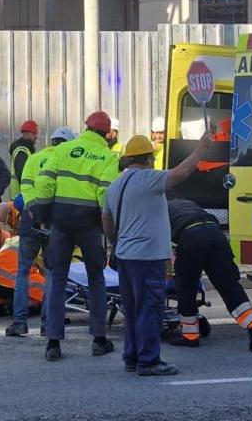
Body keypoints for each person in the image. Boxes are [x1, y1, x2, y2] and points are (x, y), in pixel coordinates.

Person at [102, 133, 209, 376]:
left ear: (128, 159)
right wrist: (201, 149)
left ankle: (132, 356)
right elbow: (179, 174)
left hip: (125, 256)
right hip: (147, 256)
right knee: (150, 308)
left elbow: (106, 219)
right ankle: (149, 360)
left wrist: (114, 242)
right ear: (150, 157)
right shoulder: (148, 179)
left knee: (132, 309)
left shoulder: (115, 185)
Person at [33, 112, 119, 362]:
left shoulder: (64, 150)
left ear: (86, 129)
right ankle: (99, 339)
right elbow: (106, 194)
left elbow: (45, 181)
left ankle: (52, 343)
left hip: (61, 219)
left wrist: (46, 212)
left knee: (58, 278)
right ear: (107, 133)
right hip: (90, 222)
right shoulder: (107, 156)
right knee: (96, 278)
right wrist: (107, 224)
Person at [167, 198, 252, 351]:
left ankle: (190, 336)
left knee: (187, 287)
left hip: (191, 236)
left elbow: (159, 242)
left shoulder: (159, 210)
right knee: (229, 285)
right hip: (215, 234)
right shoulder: (187, 203)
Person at [5, 126, 75, 337]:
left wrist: (36, 212)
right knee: (52, 273)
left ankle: (19, 322)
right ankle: (48, 323)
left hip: (31, 218)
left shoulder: (34, 159)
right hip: (55, 222)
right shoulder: (68, 161)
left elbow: (25, 189)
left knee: (23, 271)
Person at [8, 120, 38, 198]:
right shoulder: (22, 152)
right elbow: (23, 176)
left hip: (20, 197)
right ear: (26, 134)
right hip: (22, 199)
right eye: (34, 134)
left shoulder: (25, 150)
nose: (36, 137)